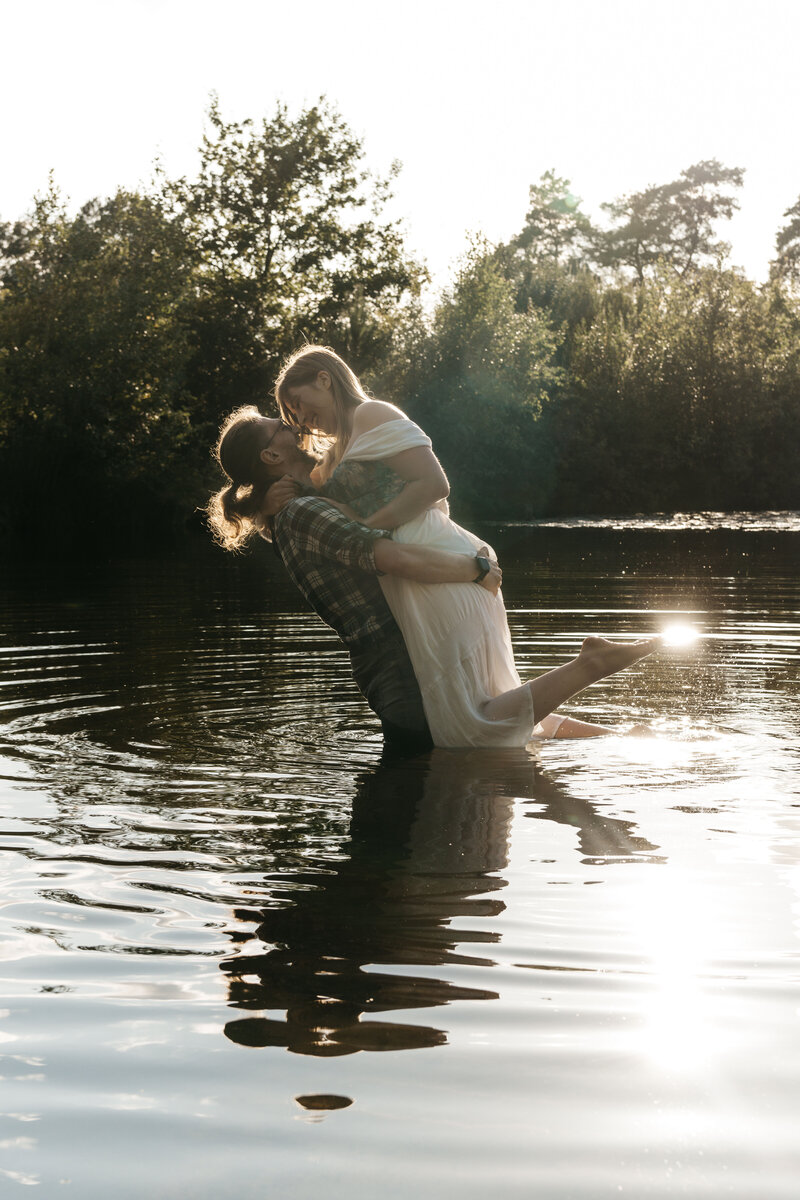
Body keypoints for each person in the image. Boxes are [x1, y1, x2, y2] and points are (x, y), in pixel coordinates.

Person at [206, 360, 658, 748]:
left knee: (469, 729)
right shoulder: (300, 508)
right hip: (405, 639)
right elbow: (380, 551)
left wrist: (476, 568)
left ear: (325, 380)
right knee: (487, 708)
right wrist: (476, 567)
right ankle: (611, 737)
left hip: (412, 626)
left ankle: (590, 670)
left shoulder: (315, 486)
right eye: (280, 423)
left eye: (292, 410)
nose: (293, 422)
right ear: (269, 456)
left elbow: (402, 526)